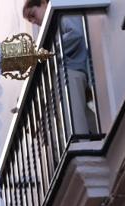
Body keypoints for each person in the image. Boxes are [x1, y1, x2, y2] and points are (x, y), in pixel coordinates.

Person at [23, 0, 98, 137]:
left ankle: (80, 146)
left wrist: (49, 51)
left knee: (74, 119)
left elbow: (76, 34)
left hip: (70, 71)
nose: (33, 21)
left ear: (44, 3)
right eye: (30, 20)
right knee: (79, 115)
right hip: (69, 72)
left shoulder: (61, 13)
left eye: (33, 14)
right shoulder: (54, 24)